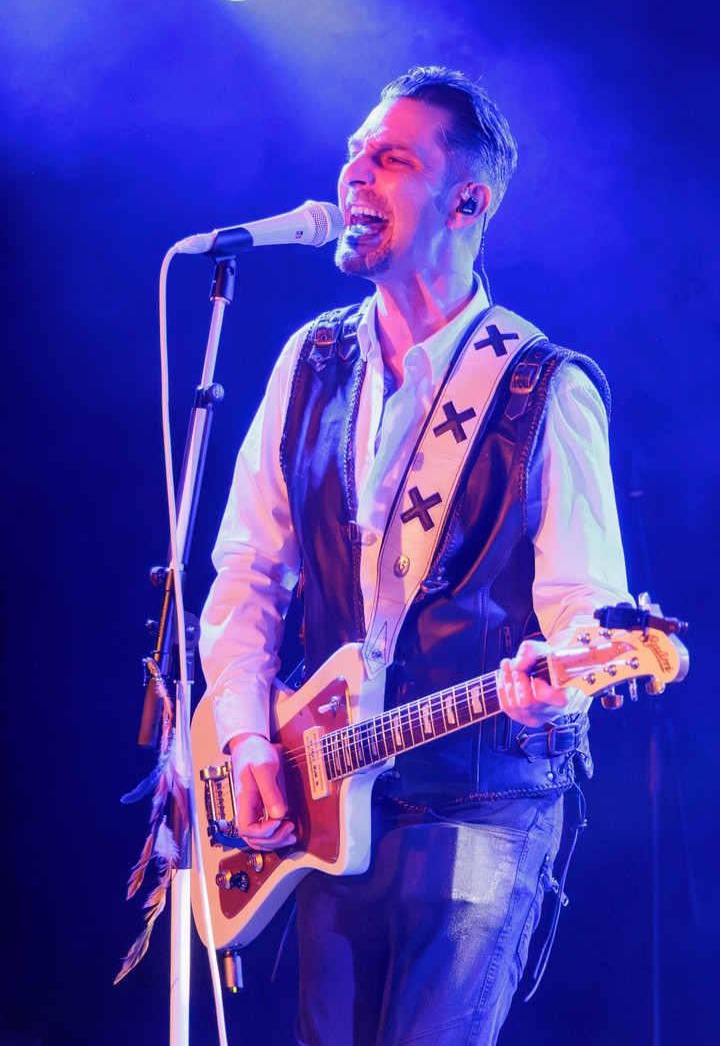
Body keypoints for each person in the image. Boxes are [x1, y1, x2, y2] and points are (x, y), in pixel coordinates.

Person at [199, 66, 630, 1046]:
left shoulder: (543, 389)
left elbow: (586, 613)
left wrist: (555, 684)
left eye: (391, 159)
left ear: (467, 203)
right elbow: (249, 572)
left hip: (482, 804)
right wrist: (249, 737)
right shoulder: (311, 363)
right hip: (331, 799)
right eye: (355, 152)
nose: (354, 174)